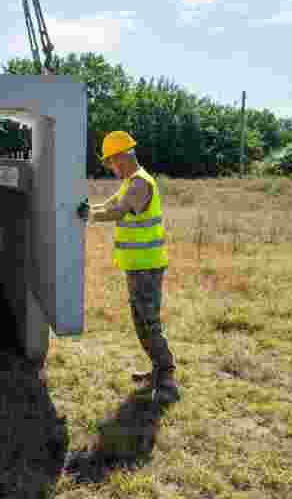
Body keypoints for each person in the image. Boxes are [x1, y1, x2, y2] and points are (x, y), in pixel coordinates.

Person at [77, 130, 180, 405]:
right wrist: (87, 207)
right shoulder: (128, 183)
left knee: (149, 321)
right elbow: (108, 203)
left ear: (122, 157)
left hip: (147, 267)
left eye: (111, 162)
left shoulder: (139, 184)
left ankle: (167, 376)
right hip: (137, 266)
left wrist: (90, 216)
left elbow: (118, 211)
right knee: (141, 322)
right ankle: (157, 370)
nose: (110, 167)